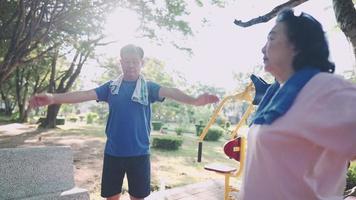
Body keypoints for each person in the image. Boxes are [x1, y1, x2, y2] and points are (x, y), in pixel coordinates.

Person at [28, 44, 219, 200]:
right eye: (126, 62)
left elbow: (170, 91)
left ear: (141, 63)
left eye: (134, 62)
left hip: (139, 154)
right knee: (112, 197)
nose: (130, 66)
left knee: (138, 198)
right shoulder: (111, 87)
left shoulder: (149, 88)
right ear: (120, 62)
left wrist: (194, 100)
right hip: (113, 153)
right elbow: (84, 94)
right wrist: (53, 98)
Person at [240, 9, 356, 200]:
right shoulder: (277, 90)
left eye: (271, 38)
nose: (263, 48)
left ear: (296, 46)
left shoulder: (325, 89)